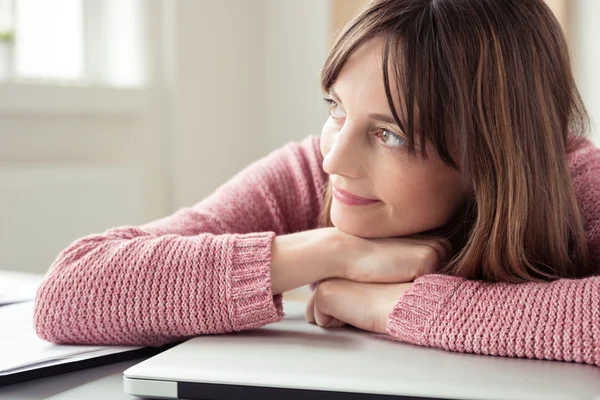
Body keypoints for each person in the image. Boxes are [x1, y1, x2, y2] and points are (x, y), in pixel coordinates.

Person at [34, 0, 600, 367]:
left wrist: (398, 308)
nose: (336, 159)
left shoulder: (577, 185)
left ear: (494, 152)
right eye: (335, 108)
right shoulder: (310, 172)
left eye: (391, 134)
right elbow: (69, 292)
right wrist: (329, 252)